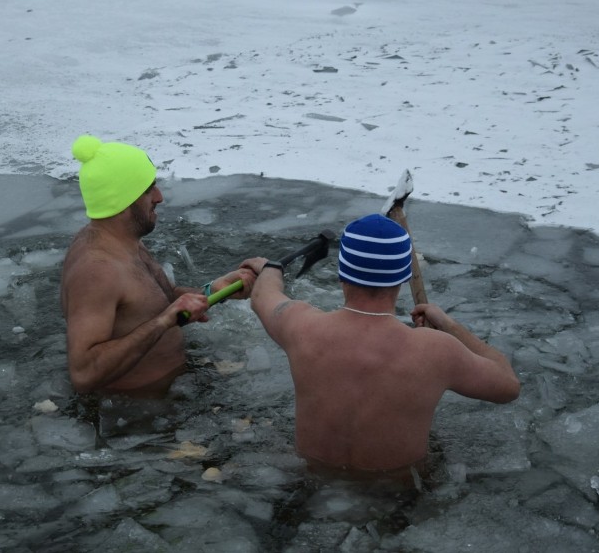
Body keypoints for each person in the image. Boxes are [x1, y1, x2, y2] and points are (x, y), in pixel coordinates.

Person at [246, 213, 520, 479]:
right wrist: (450, 326)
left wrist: (269, 268)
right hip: (396, 493)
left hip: (313, 479)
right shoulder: (438, 350)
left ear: (342, 273)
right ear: (403, 277)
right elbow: (507, 386)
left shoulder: (300, 326)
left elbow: (263, 295)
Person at [60, 135, 262, 398]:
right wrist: (163, 322)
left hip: (174, 390)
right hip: (136, 414)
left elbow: (154, 305)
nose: (160, 197)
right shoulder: (97, 271)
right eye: (148, 188)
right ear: (122, 200)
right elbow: (84, 374)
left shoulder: (124, 242)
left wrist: (213, 292)